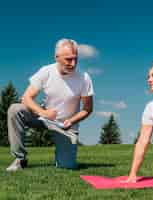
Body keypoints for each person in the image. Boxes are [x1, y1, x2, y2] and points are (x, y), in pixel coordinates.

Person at [6, 38, 94, 171]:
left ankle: (63, 157)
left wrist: (71, 120)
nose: (73, 63)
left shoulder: (84, 78)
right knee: (15, 109)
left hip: (66, 125)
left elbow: (88, 108)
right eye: (68, 59)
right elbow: (26, 98)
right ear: (57, 57)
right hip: (44, 117)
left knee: (67, 167)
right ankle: (20, 159)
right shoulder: (46, 71)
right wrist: (44, 113)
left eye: (75, 59)